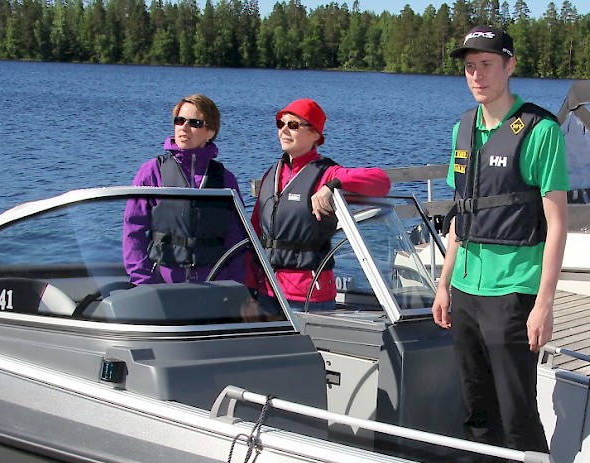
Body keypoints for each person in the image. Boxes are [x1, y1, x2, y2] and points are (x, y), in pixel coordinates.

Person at [432, 26, 570, 463]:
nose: (477, 75)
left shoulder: (540, 131)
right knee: (477, 411)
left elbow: (557, 224)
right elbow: (461, 214)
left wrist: (544, 304)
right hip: (466, 290)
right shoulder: (462, 129)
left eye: (487, 64)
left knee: (517, 415)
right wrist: (444, 282)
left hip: (513, 290)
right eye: (470, 66)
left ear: (510, 65)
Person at [248, 98, 391, 312]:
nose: (284, 130)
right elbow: (254, 234)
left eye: (293, 125)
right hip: (266, 293)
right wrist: (250, 290)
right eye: (281, 124)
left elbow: (381, 181)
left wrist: (334, 185)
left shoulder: (327, 172)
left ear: (314, 134)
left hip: (307, 296)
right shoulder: (271, 174)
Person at [123, 94, 246, 285]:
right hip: (164, 284)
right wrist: (143, 282)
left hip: (215, 287)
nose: (184, 127)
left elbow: (236, 239)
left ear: (210, 131)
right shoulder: (152, 172)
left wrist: (239, 288)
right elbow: (133, 231)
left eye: (194, 123)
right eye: (179, 120)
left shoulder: (224, 179)